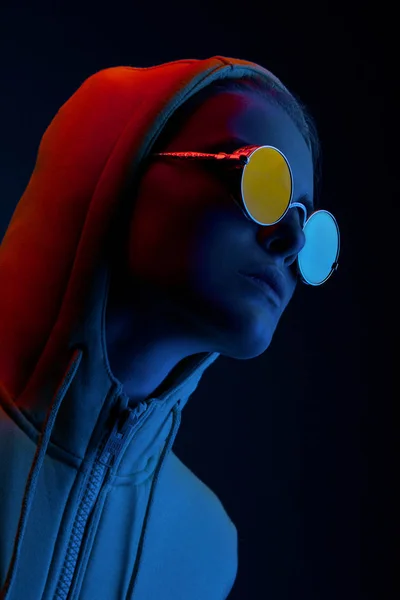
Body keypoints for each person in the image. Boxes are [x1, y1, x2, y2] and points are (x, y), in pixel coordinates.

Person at [0, 55, 338, 599]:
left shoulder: (204, 549)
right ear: (115, 166)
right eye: (261, 181)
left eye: (308, 220)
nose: (291, 243)